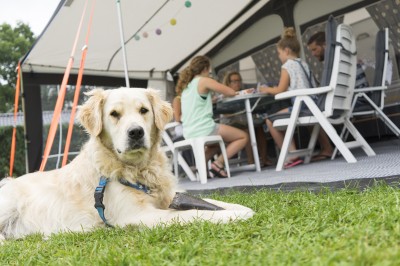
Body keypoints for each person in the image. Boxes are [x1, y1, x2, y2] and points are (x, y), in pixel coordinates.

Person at [177, 56, 249, 178]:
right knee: (243, 136)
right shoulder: (204, 80)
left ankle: (200, 166)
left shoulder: (187, 87)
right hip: (204, 127)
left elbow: (198, 102)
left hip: (189, 131)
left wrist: (211, 100)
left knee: (215, 145)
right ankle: (218, 163)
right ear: (205, 68)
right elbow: (230, 92)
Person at [306, 31, 371, 161]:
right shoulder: (342, 56)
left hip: (356, 100)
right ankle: (327, 148)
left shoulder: (336, 61)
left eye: (315, 49)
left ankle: (327, 149)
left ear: (325, 45)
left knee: (309, 111)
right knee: (312, 107)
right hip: (359, 96)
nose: (313, 54)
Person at [258, 27, 315, 168]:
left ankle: (290, 155)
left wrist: (265, 89)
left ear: (286, 51)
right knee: (283, 115)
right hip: (313, 104)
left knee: (270, 120)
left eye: (279, 53)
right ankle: (294, 152)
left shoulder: (287, 66)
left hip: (301, 106)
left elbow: (280, 90)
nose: (279, 57)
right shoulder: (303, 63)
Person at [221, 71, 273, 167]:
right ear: (228, 83)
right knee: (246, 128)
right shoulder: (224, 94)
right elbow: (225, 113)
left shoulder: (243, 93)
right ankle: (251, 161)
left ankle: (264, 158)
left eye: (239, 80)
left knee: (259, 126)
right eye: (234, 81)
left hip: (244, 120)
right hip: (230, 122)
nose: (238, 83)